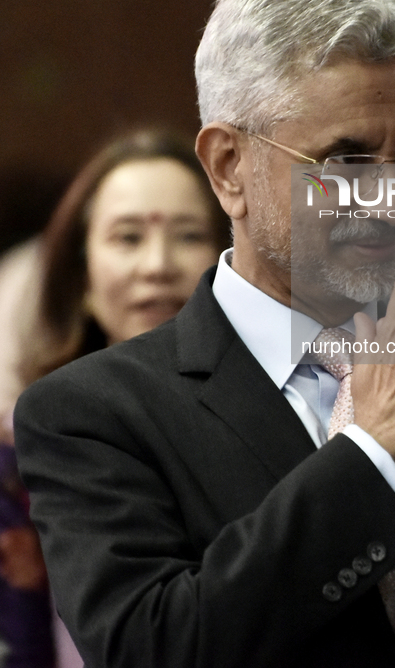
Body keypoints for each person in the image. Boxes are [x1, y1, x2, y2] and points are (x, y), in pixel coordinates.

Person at [14, 0, 395, 667]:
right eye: (345, 160)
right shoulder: (93, 414)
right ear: (228, 166)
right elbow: (155, 647)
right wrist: (371, 457)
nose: (390, 198)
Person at [3, 127, 228, 668]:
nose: (157, 265)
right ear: (82, 275)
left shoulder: (287, 423)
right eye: (128, 237)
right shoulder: (15, 474)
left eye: (190, 235)